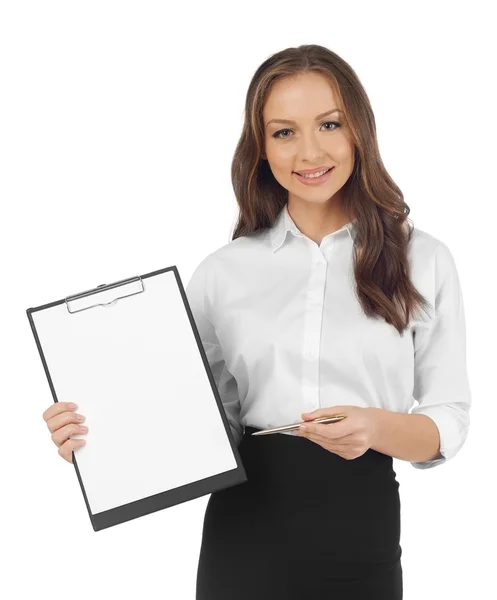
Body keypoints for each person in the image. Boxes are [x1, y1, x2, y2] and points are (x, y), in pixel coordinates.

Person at [41, 44, 472, 600]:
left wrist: (374, 426)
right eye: (284, 132)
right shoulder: (224, 273)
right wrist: (96, 436)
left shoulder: (424, 259)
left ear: (359, 131)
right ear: (261, 148)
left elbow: (449, 418)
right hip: (244, 536)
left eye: (329, 124)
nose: (309, 150)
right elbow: (194, 423)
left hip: (359, 531)